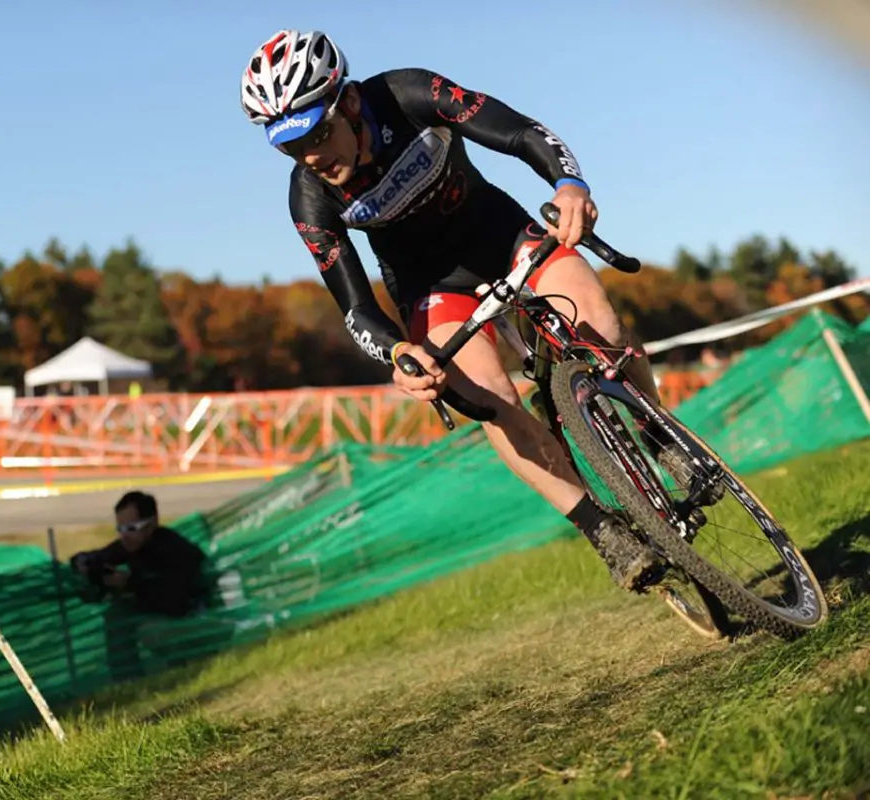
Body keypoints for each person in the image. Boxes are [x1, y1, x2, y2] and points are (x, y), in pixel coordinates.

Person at [238, 29, 695, 592]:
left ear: (349, 102)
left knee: (597, 318)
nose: (311, 155)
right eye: (291, 146)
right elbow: (354, 305)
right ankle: (603, 532)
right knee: (487, 401)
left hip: (498, 234)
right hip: (431, 287)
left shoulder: (408, 94)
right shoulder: (309, 196)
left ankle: (660, 437)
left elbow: (519, 131)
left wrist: (569, 184)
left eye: (319, 133)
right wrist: (399, 353)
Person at [70, 491, 208, 617]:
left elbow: (174, 600)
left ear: (151, 525)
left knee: (143, 627)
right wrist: (83, 562)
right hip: (163, 617)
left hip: (192, 618)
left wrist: (130, 584)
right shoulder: (133, 544)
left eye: (131, 528)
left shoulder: (176, 551)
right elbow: (99, 556)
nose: (124, 535)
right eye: (120, 529)